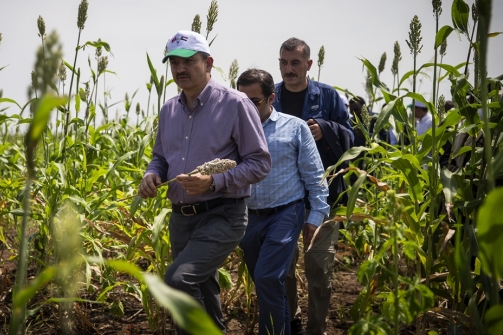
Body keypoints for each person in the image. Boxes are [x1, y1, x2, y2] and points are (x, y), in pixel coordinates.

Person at [139, 30, 271, 334]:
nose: (180, 69)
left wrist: (214, 182)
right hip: (181, 220)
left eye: (188, 61)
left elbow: (260, 163)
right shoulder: (169, 109)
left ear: (208, 62)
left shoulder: (236, 104)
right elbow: (160, 157)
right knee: (204, 291)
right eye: (173, 62)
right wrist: (151, 175)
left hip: (223, 214)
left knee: (178, 281)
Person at [237, 69, 329, 335]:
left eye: (253, 100)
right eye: (241, 100)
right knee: (265, 283)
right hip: (249, 217)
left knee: (268, 278)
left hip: (286, 213)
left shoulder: (295, 127)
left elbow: (315, 176)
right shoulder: (233, 130)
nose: (247, 107)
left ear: (271, 98)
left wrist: (316, 216)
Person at [273, 37, 353, 335]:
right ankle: (291, 320)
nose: (288, 69)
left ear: (308, 64)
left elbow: (353, 136)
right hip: (281, 196)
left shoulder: (328, 96)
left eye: (295, 63)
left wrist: (326, 127)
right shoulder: (273, 96)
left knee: (319, 267)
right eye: (283, 62)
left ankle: (316, 328)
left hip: (322, 195)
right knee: (283, 266)